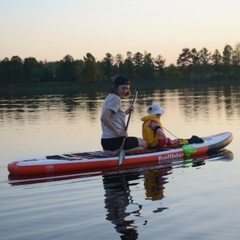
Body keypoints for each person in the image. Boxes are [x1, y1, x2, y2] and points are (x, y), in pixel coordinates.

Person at [101, 76, 147, 155]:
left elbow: (114, 117)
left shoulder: (110, 97)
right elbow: (104, 118)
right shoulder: (116, 99)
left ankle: (109, 151)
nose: (125, 91)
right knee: (144, 144)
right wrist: (119, 133)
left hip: (106, 141)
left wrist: (126, 112)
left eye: (127, 88)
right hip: (115, 140)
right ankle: (116, 152)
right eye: (123, 88)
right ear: (116, 87)